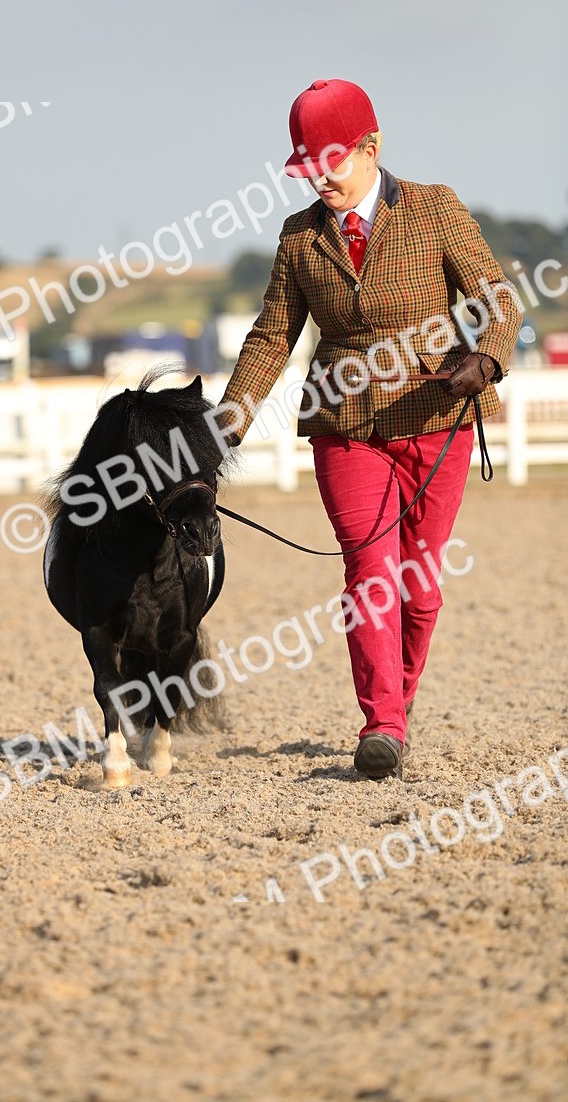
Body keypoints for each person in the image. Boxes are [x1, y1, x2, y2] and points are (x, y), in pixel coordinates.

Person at [217, 78, 522, 780]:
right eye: (308, 167)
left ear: (371, 147)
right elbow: (271, 338)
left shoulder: (435, 208)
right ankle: (381, 723)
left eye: (333, 162)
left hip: (436, 415)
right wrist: (227, 422)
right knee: (370, 567)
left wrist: (489, 358)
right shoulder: (299, 237)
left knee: (420, 588)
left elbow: (498, 299)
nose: (321, 179)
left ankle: (397, 709)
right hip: (344, 423)